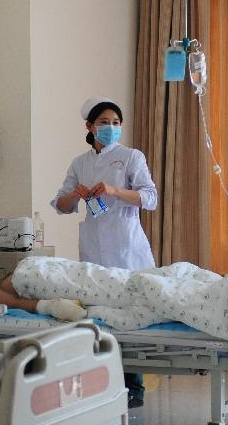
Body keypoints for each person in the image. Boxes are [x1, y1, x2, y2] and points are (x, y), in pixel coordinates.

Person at [50, 97, 160, 408]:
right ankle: (103, 383)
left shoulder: (131, 157)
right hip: (94, 246)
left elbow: (150, 198)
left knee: (130, 315)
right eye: (104, 123)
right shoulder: (80, 163)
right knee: (99, 313)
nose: (111, 128)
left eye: (115, 123)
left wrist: (113, 191)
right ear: (89, 127)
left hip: (127, 245)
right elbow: (61, 205)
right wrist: (75, 194)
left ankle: (133, 385)